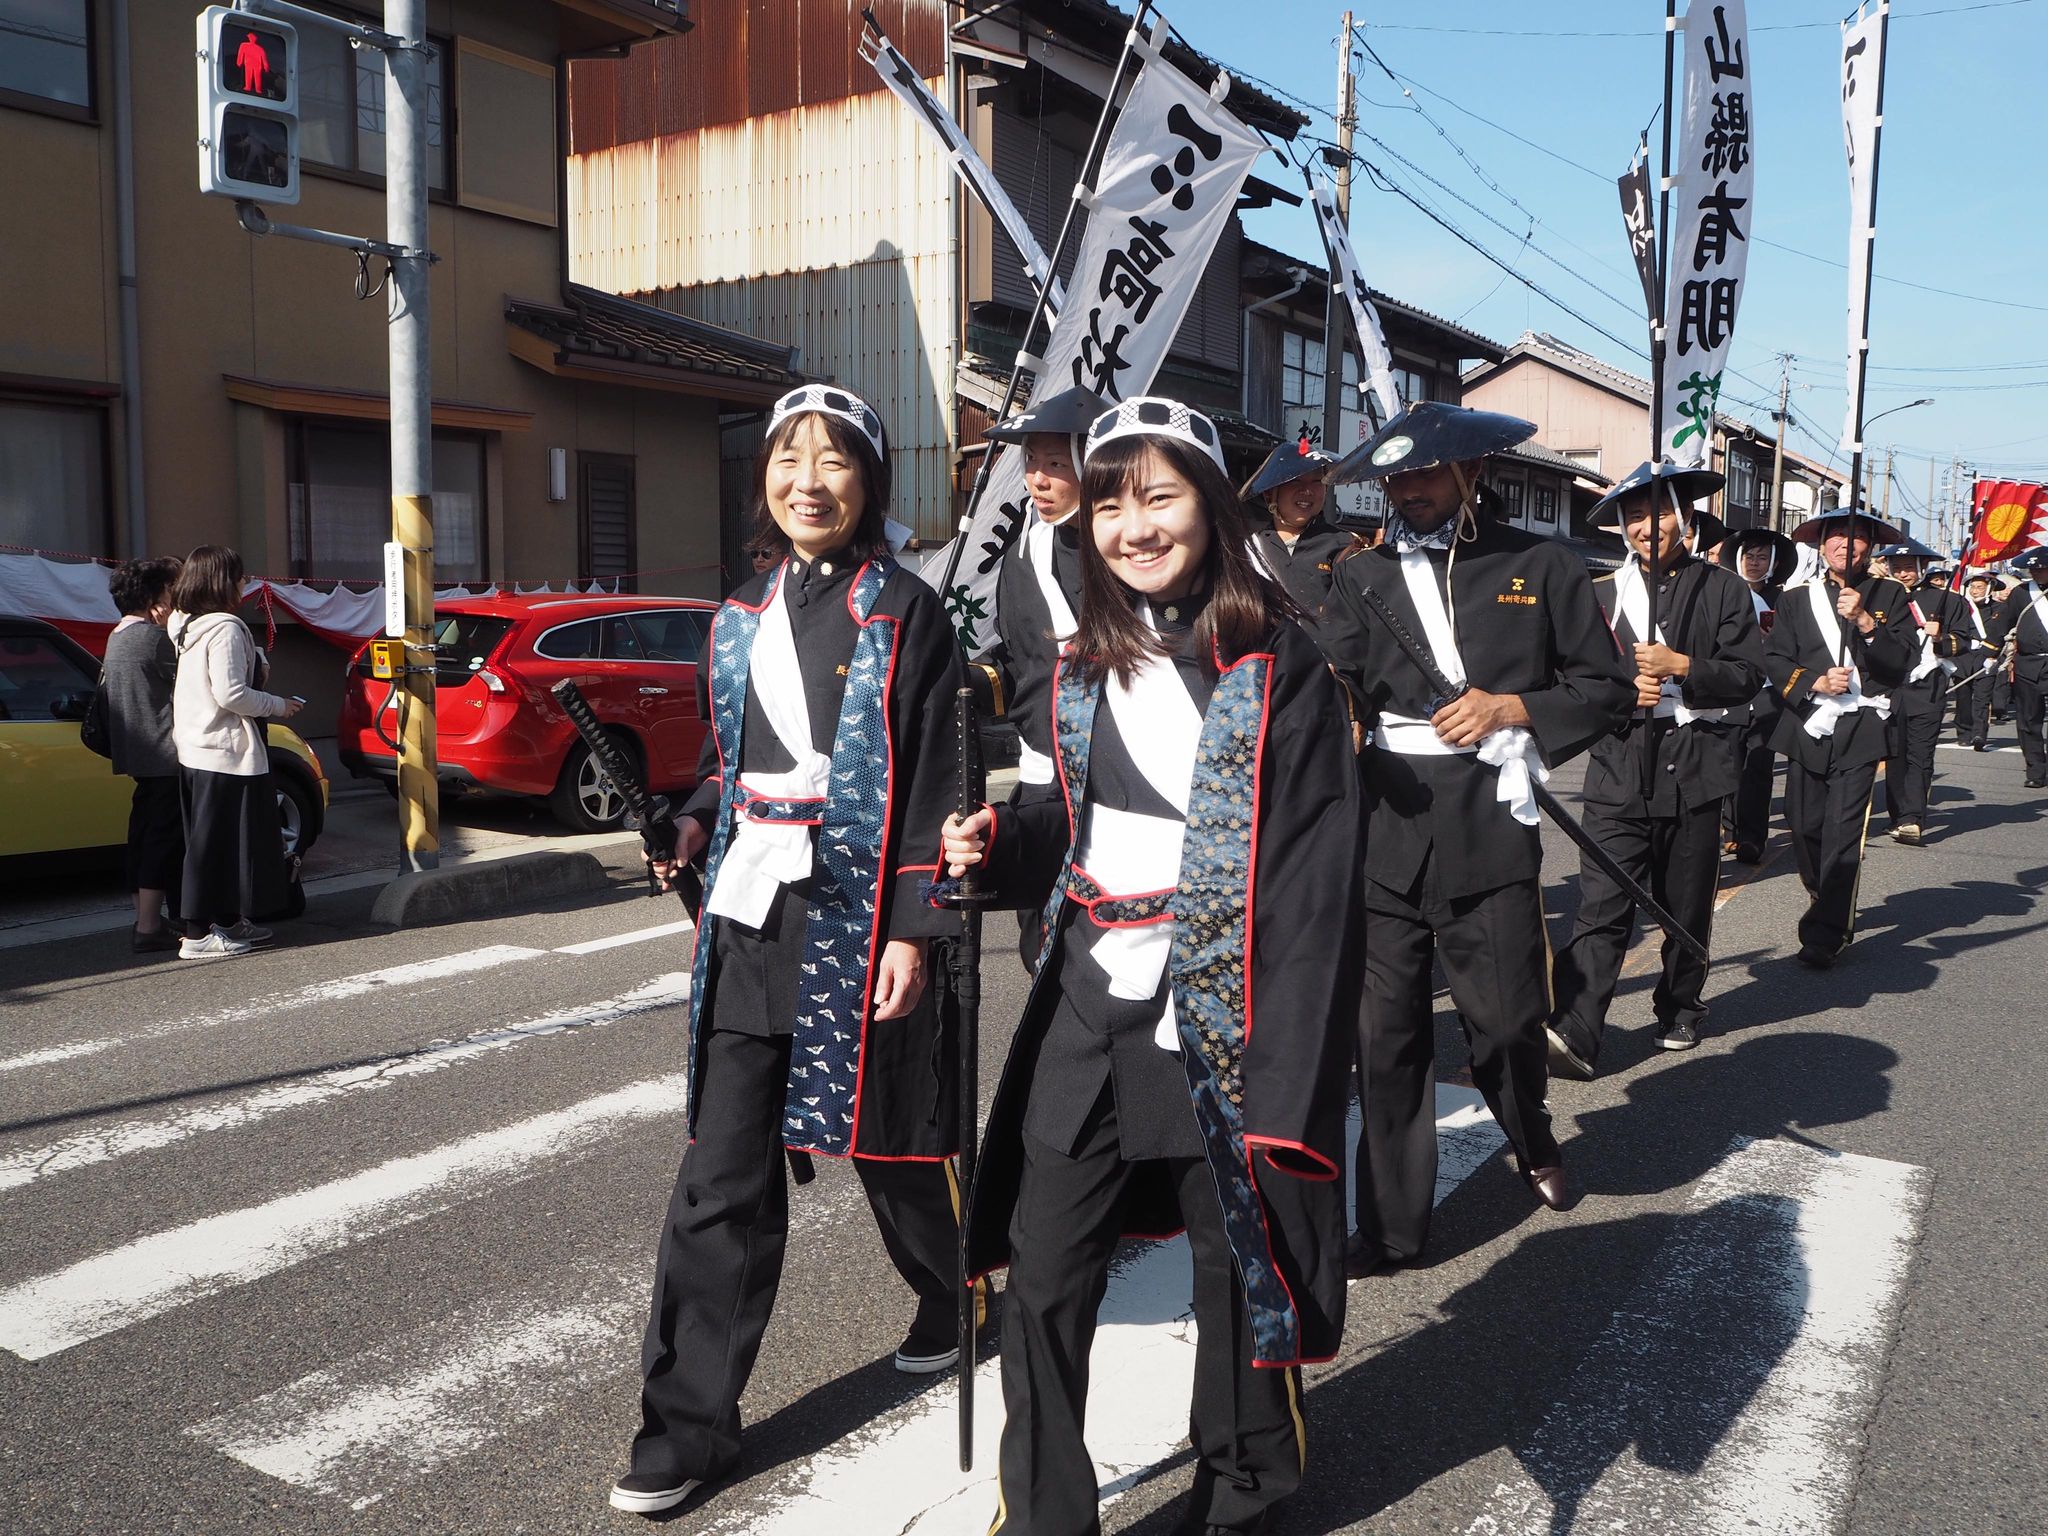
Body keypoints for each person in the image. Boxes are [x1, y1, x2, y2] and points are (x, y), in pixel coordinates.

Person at [940, 396, 1361, 1536]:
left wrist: (1291, 1072)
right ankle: (1043, 1514)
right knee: (1042, 1266)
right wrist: (996, 844)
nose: (1132, 524)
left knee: (1235, 1271)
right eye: (1111, 498)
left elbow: (1316, 888)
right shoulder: (1078, 669)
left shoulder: (1283, 669)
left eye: (1159, 495)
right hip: (1090, 999)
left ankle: (1242, 1498)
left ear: (1210, 509)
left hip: (1225, 1013)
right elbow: (1075, 831)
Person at [610, 384, 968, 1518]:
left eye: (834, 461)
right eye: (787, 459)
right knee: (720, 1175)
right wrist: (690, 817)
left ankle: (957, 1290)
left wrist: (917, 925)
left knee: (890, 1142)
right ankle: (686, 1428)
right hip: (751, 916)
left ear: (868, 484)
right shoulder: (736, 616)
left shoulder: (907, 611)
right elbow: (738, 764)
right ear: (763, 477)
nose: (807, 480)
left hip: (863, 914)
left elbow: (942, 777)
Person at [1314, 401, 1633, 1272]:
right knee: (1387, 1043)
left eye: (1423, 474)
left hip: (1489, 831)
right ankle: (1392, 1227)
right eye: (1395, 478)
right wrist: (1335, 718)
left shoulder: (1544, 563)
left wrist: (1514, 706)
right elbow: (1329, 677)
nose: (1408, 489)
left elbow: (1605, 687)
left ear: (1468, 475)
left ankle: (1531, 1136)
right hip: (1386, 827)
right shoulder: (1361, 578)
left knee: (1501, 1027)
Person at [1544, 463, 1765, 1079]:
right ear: (1620, 527)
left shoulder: (1722, 590)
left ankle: (1681, 1002)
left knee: (1686, 902)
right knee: (1601, 906)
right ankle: (1580, 1026)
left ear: (1685, 520)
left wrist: (1684, 664)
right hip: (1617, 769)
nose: (1648, 527)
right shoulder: (1600, 596)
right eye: (1634, 517)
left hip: (1694, 767)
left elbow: (1748, 674)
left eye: (1660, 513)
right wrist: (1621, 692)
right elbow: (1569, 680)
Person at [1762, 510, 1919, 968]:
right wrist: (1812, 681)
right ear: (1822, 544)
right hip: (1809, 723)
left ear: (1871, 548)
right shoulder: (1795, 599)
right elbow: (1773, 658)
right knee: (1803, 823)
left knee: (1843, 833)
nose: (1844, 546)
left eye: (1856, 540)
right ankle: (1823, 893)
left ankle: (1827, 931)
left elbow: (1901, 664)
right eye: (1835, 537)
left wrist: (1868, 624)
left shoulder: (1891, 594)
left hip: (1862, 729)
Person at [166, 546, 302, 961]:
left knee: (212, 842)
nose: (245, 585)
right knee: (217, 845)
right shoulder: (226, 628)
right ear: (223, 582)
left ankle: (225, 921)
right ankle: (195, 936)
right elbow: (231, 694)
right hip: (225, 752)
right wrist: (279, 704)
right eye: (241, 578)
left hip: (195, 746)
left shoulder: (185, 625)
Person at [985, 384, 1109, 796]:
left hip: (1116, 766)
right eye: (1031, 460)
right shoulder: (1025, 552)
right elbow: (1021, 653)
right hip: (1042, 765)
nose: (1037, 480)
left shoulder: (1132, 553)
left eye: (1055, 463)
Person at [102, 556, 185, 954]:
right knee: (160, 838)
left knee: (142, 835)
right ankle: (150, 926)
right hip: (164, 753)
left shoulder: (117, 636)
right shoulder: (155, 640)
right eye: (171, 589)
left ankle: (144, 917)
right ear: (154, 596)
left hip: (136, 753)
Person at [1877, 547, 1975, 844]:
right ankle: (1897, 815)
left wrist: (1941, 637)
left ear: (1922, 567)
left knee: (1920, 756)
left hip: (1927, 689)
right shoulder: (1879, 597)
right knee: (1895, 756)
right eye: (1897, 567)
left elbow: (1965, 641)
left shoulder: (1948, 600)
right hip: (1889, 690)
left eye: (1909, 567)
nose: (1903, 573)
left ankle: (1912, 818)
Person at [1718, 526, 1797, 862]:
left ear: (1774, 562)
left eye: (1762, 556)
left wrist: (1772, 638)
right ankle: (1729, 829)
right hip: (1731, 689)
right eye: (1748, 555)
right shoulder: (1722, 593)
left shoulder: (1786, 601)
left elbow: (1797, 645)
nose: (1754, 562)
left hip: (1768, 692)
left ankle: (1753, 837)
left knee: (1759, 767)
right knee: (1728, 763)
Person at [1244, 433, 1345, 624]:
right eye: (1295, 480)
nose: (1307, 490)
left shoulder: (1346, 546)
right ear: (1269, 493)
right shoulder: (1248, 548)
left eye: (1317, 481)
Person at [1988, 546, 2048, 787]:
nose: (2037, 573)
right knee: (2028, 720)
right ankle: (2035, 771)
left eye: (2042, 569)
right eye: (2033, 569)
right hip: (2028, 664)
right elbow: (2003, 624)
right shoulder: (2021, 593)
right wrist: (1990, 654)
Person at [1951, 571, 1999, 749]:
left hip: (1987, 656)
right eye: (1972, 586)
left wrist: (1995, 655)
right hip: (1962, 655)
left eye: (1980, 587)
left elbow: (2002, 633)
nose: (1975, 590)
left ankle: (1979, 733)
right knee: (1963, 697)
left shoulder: (1999, 608)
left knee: (1982, 697)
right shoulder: (1961, 606)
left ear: (1989, 589)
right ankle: (1963, 732)